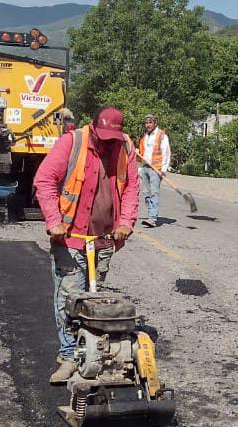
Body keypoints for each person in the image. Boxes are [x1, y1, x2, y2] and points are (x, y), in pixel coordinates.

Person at [33, 106, 139, 384]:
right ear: (93, 128)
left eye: (111, 139)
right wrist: (54, 221)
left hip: (104, 238)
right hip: (70, 237)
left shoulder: (125, 147)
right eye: (102, 137)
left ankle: (94, 351)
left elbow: (131, 188)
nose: (106, 143)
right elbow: (44, 180)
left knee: (94, 298)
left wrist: (125, 223)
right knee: (70, 297)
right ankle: (68, 356)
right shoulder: (72, 143)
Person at [137, 114, 171, 228]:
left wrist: (164, 170)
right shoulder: (145, 137)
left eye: (150, 122)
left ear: (155, 123)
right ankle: (150, 214)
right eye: (146, 123)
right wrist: (140, 168)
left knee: (154, 193)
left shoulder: (162, 135)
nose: (148, 125)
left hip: (156, 169)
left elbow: (166, 153)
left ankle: (152, 218)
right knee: (146, 193)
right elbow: (142, 154)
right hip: (145, 167)